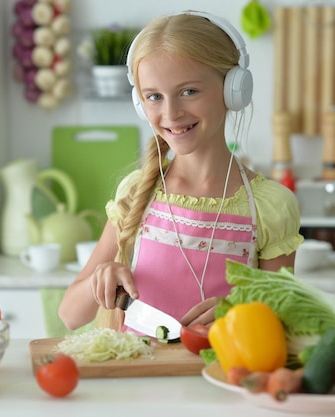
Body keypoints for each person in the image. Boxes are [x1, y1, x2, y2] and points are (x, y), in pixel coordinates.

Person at [58, 10, 303, 332]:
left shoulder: (269, 206)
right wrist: (100, 281)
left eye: (189, 91)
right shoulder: (136, 193)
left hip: (219, 378)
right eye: (154, 97)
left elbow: (285, 327)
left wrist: (242, 311)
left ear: (233, 89)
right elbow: (70, 316)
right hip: (141, 377)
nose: (171, 113)